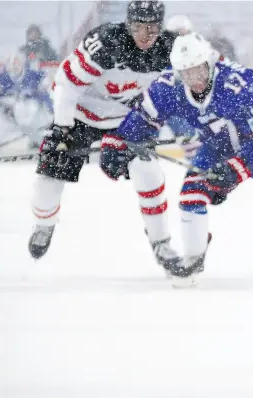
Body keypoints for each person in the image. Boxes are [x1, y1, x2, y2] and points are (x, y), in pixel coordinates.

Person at [101, 33, 253, 287]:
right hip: (217, 147)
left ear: (210, 63)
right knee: (191, 195)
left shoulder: (239, 82)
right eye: (186, 73)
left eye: (198, 70)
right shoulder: (168, 87)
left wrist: (235, 169)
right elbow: (141, 119)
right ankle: (192, 261)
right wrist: (115, 144)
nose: (193, 79)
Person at [28, 0, 179, 275]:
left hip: (126, 120)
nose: (145, 35)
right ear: (127, 24)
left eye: (152, 28)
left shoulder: (170, 49)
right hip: (80, 116)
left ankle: (161, 243)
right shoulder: (106, 42)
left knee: (147, 171)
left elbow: (187, 89)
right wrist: (62, 128)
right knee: (50, 174)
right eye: (137, 27)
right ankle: (44, 224)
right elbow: (66, 84)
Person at [0, 52, 53, 154]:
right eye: (11, 66)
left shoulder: (32, 75)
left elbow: (45, 83)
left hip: (30, 111)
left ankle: (39, 141)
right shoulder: (2, 77)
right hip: (10, 114)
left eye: (17, 64)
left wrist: (44, 87)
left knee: (36, 115)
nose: (14, 68)